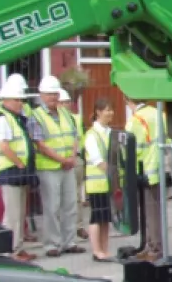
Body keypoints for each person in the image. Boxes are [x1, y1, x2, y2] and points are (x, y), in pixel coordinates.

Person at [32, 76, 84, 257]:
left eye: (55, 94)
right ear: (41, 95)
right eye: (49, 94)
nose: (53, 97)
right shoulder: (36, 116)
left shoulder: (65, 114)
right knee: (52, 207)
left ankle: (69, 241)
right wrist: (63, 160)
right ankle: (52, 244)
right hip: (49, 168)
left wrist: (71, 157)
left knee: (70, 205)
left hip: (67, 166)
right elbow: (40, 144)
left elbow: (74, 137)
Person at [0, 79, 37, 261]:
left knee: (19, 213)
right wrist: (19, 163)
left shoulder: (15, 118)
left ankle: (18, 247)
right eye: (17, 100)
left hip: (18, 171)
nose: (21, 103)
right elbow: (3, 146)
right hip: (10, 170)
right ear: (6, 100)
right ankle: (9, 252)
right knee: (12, 214)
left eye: (22, 100)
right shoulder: (3, 119)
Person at [125, 96, 171, 261]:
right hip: (160, 168)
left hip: (145, 170)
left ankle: (154, 248)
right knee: (156, 211)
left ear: (129, 101)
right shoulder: (160, 114)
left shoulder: (136, 120)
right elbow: (169, 139)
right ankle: (151, 245)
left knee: (150, 212)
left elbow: (131, 148)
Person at [83, 98, 119, 262]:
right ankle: (97, 250)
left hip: (107, 184)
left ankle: (104, 249)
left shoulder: (109, 132)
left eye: (111, 110)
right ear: (98, 112)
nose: (110, 113)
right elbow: (98, 161)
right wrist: (114, 173)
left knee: (105, 217)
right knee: (97, 216)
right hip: (97, 183)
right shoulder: (92, 135)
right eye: (107, 110)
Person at [59, 88, 90, 240]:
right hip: (57, 161)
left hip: (76, 159)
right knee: (60, 197)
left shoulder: (76, 119)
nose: (66, 105)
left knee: (77, 196)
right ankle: (63, 228)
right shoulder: (53, 120)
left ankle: (78, 226)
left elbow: (81, 138)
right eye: (62, 102)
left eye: (67, 102)